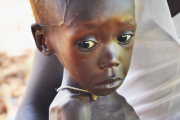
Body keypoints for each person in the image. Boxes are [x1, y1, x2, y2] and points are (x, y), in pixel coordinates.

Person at [16, 0, 180, 120]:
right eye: (86, 44)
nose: (112, 59)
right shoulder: (73, 108)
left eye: (124, 37)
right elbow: (34, 104)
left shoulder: (116, 101)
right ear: (43, 41)